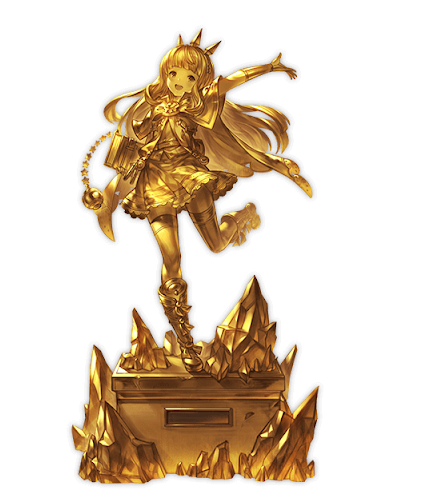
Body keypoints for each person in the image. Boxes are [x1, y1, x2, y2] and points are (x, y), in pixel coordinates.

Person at [100, 30, 311, 373]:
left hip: (191, 179)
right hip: (154, 186)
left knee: (215, 244)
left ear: (198, 80)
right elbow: (133, 152)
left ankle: (241, 217)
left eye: (189, 76)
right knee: (172, 260)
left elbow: (233, 81)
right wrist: (109, 194)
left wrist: (270, 68)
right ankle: (186, 344)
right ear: (165, 73)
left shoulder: (199, 105)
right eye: (174, 73)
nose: (179, 81)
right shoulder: (152, 107)